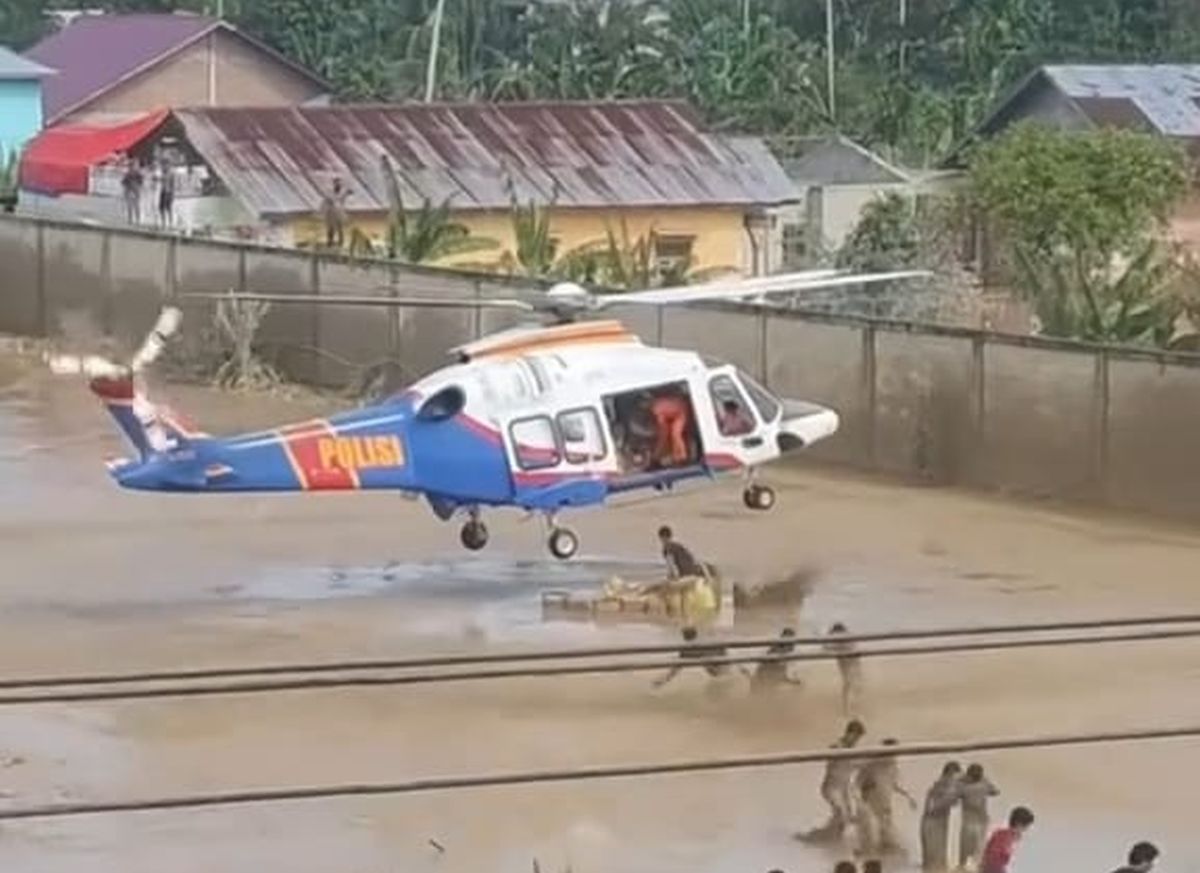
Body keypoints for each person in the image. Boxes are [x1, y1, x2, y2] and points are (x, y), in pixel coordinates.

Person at [801, 720, 866, 842]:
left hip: (843, 789)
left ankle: (826, 837)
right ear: (850, 733)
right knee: (841, 814)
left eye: (859, 738)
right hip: (831, 788)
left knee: (845, 818)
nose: (857, 740)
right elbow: (834, 754)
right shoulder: (838, 746)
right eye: (856, 736)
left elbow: (856, 764)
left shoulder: (854, 750)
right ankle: (817, 837)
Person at [856, 738, 917, 855]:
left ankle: (886, 848)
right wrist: (859, 800)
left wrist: (909, 797)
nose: (894, 756)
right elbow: (857, 783)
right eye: (892, 753)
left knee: (887, 828)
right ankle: (866, 851)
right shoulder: (871, 765)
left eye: (895, 753)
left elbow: (896, 784)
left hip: (885, 803)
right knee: (871, 831)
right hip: (870, 803)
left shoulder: (892, 766)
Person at [652, 625, 748, 694]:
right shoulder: (709, 641)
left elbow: (675, 670)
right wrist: (743, 669)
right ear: (696, 633)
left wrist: (662, 681)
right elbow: (728, 654)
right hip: (730, 672)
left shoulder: (687, 650)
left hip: (719, 677)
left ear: (684, 637)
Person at [919, 761, 962, 872]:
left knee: (939, 863)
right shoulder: (937, 788)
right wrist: (948, 801)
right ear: (947, 775)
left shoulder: (948, 788)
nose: (955, 781)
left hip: (939, 827)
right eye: (954, 778)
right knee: (933, 864)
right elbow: (930, 808)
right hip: (931, 827)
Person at [959, 763, 1000, 870]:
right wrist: (985, 781)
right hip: (982, 820)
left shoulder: (964, 787)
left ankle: (963, 866)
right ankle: (974, 867)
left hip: (970, 821)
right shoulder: (984, 784)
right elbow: (996, 792)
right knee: (978, 848)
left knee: (966, 847)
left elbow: (956, 795)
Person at [980, 806, 1034, 873]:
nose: (1026, 830)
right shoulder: (1004, 837)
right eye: (1026, 827)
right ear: (1019, 824)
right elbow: (993, 860)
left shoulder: (1007, 836)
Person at [825, 622, 863, 716]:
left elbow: (826, 647)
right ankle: (850, 707)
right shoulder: (848, 636)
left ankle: (849, 708)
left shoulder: (840, 640)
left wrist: (827, 637)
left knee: (850, 684)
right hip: (849, 662)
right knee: (852, 684)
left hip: (849, 661)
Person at [751, 627, 804, 693]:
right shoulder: (776, 652)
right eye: (791, 643)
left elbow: (780, 676)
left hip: (766, 684)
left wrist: (792, 681)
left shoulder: (782, 655)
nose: (793, 646)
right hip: (762, 685)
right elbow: (766, 674)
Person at [650, 391, 691, 466]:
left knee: (676, 435)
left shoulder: (657, 408)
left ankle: (682, 458)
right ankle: (675, 457)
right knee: (670, 436)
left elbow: (663, 427)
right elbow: (663, 426)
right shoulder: (657, 406)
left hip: (680, 413)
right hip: (676, 410)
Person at [321, 176, 350, 249]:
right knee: (331, 228)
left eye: (339, 184)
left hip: (339, 212)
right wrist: (324, 211)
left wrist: (347, 193)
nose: (338, 186)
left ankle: (341, 242)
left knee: (340, 227)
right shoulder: (329, 193)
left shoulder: (342, 193)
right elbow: (326, 201)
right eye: (337, 184)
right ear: (334, 184)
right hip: (331, 213)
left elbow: (342, 199)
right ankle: (329, 243)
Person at [121, 157, 144, 225]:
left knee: (136, 205)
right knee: (130, 206)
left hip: (135, 191)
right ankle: (131, 219)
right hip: (130, 190)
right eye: (132, 165)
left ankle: (137, 219)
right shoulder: (128, 173)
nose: (133, 167)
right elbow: (123, 182)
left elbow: (141, 182)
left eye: (135, 165)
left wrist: (139, 187)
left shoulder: (138, 173)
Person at [157, 159, 176, 228]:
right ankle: (164, 223)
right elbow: (161, 179)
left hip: (168, 192)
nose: (163, 166)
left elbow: (173, 184)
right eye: (162, 165)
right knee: (161, 208)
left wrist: (173, 194)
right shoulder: (163, 172)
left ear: (168, 165)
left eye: (164, 165)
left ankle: (170, 223)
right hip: (163, 191)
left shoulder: (171, 173)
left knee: (168, 208)